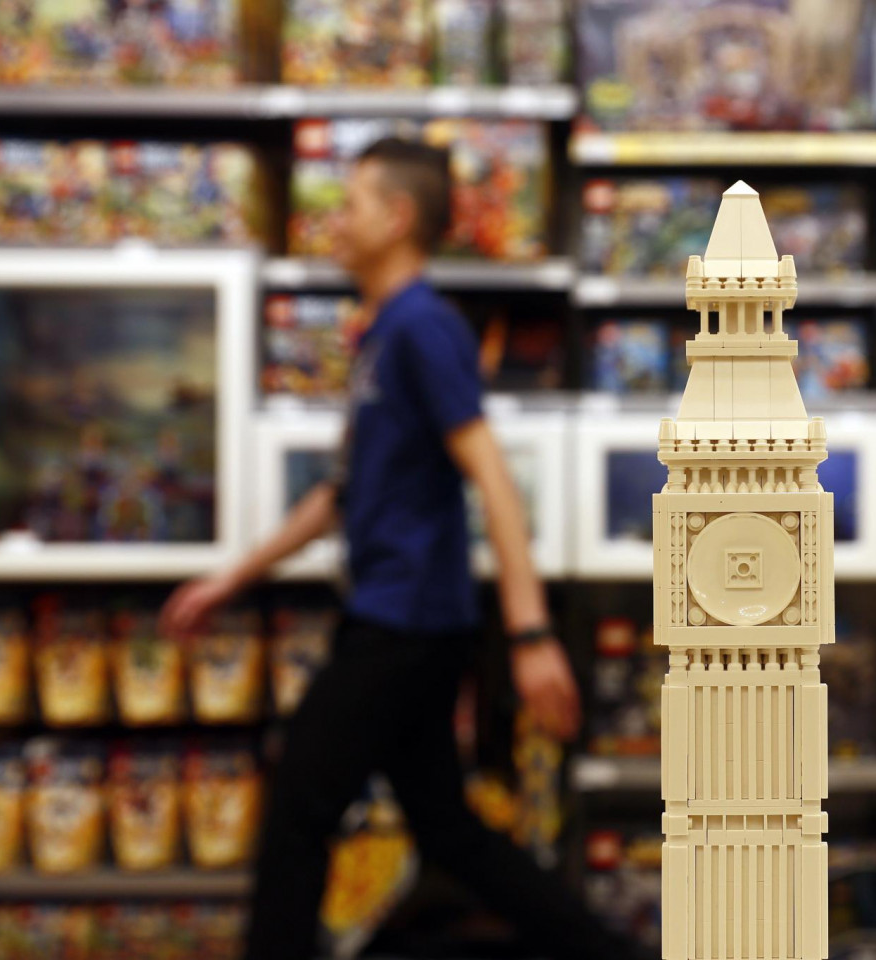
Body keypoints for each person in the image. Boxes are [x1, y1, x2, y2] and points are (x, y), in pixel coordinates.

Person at [160, 138, 651, 960]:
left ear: (396, 217)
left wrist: (531, 634)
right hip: (404, 616)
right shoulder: (384, 334)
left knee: (298, 812)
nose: (334, 221)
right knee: (448, 831)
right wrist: (231, 578)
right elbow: (340, 492)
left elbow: (491, 476)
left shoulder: (424, 327)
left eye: (349, 204)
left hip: (405, 620)